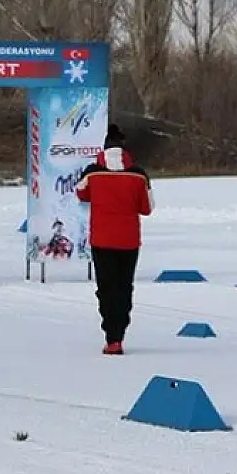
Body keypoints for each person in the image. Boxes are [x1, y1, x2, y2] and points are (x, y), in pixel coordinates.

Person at [75, 124, 153, 355]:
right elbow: (147, 208)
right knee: (124, 287)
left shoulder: (92, 172)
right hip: (129, 241)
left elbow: (81, 193)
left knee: (106, 287)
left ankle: (112, 336)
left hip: (101, 239)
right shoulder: (138, 174)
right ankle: (120, 330)